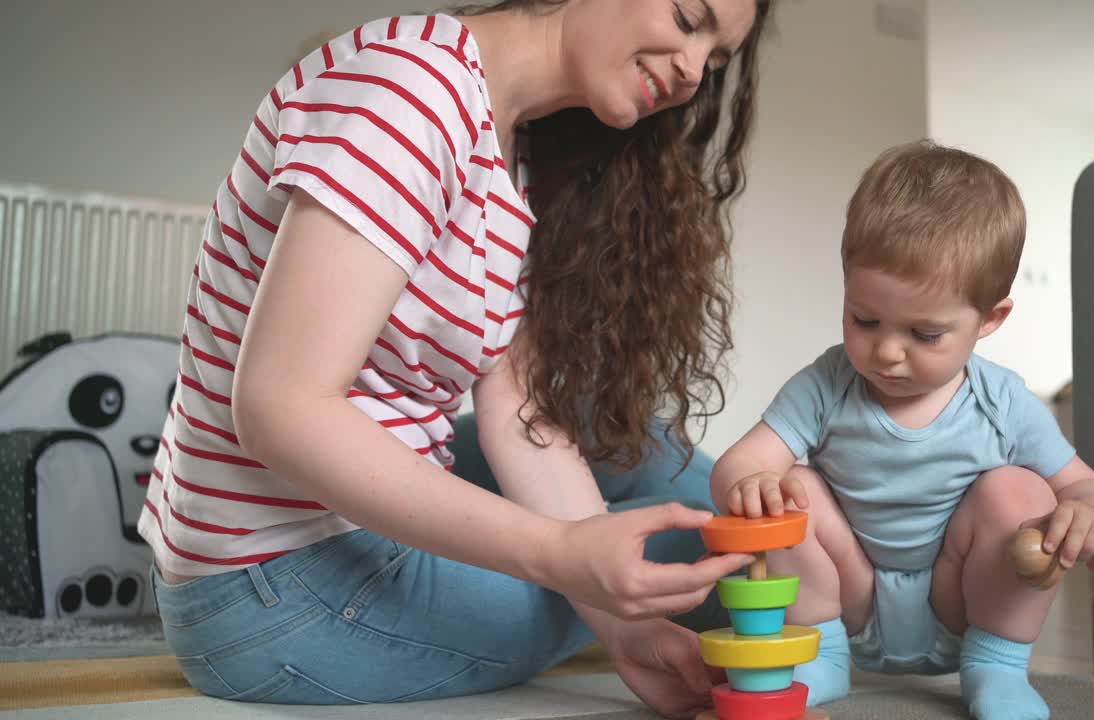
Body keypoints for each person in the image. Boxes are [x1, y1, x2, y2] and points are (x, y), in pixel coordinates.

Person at [137, 1, 772, 716]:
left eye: (716, 60)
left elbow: (521, 413)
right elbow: (279, 409)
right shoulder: (412, 94)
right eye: (690, 19)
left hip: (336, 536)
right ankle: (861, 592)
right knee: (699, 530)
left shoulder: (508, 142)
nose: (693, 70)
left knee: (648, 451)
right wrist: (562, 554)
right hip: (278, 588)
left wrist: (623, 629)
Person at [710, 141, 1094, 719]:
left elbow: (1087, 488)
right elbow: (737, 464)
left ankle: (998, 667)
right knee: (790, 485)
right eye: (865, 319)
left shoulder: (1002, 400)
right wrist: (751, 485)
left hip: (960, 602)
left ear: (989, 321)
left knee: (1020, 490)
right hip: (846, 601)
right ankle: (817, 659)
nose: (886, 352)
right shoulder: (827, 384)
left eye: (924, 335)